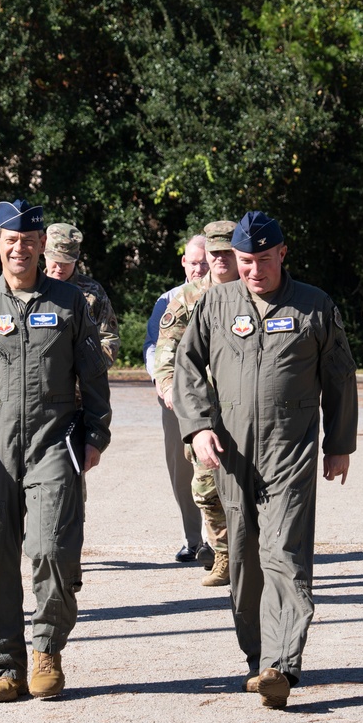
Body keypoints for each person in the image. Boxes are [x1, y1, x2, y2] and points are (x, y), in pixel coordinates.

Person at [173, 211, 358, 710]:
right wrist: (199, 426)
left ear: (282, 254)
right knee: (243, 558)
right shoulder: (215, 303)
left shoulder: (313, 306)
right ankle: (256, 658)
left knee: (284, 552)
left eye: (263, 260)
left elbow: (339, 376)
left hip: (288, 451)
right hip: (231, 454)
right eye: (245, 261)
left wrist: (338, 443)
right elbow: (186, 367)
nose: (254, 270)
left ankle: (282, 663)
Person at [0, 199, 112, 703]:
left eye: (28, 242)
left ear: (40, 247)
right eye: (11, 241)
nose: (20, 249)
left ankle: (47, 649)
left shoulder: (69, 303)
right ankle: (5, 663)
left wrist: (96, 433)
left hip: (55, 439)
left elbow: (93, 374)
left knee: (51, 547)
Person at [153, 220, 239, 588]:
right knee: (206, 486)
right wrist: (168, 384)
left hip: (247, 406)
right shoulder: (188, 297)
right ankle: (222, 555)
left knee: (253, 487)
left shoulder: (256, 291)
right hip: (202, 408)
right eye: (213, 253)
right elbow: (166, 347)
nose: (219, 259)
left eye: (226, 253)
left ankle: (251, 555)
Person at [144, 234, 210, 564]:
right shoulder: (167, 300)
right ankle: (193, 538)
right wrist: (161, 381)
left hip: (214, 396)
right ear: (184, 262)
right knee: (181, 470)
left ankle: (221, 541)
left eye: (205, 262)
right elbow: (153, 346)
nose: (200, 268)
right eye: (194, 261)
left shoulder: (224, 293)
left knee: (215, 467)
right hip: (174, 397)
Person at [43, 222, 120, 367]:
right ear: (44, 254)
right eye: (55, 260)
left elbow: (109, 339)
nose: (60, 267)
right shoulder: (31, 289)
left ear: (76, 257)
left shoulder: (93, 292)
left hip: (79, 385)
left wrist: (88, 372)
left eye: (66, 261)